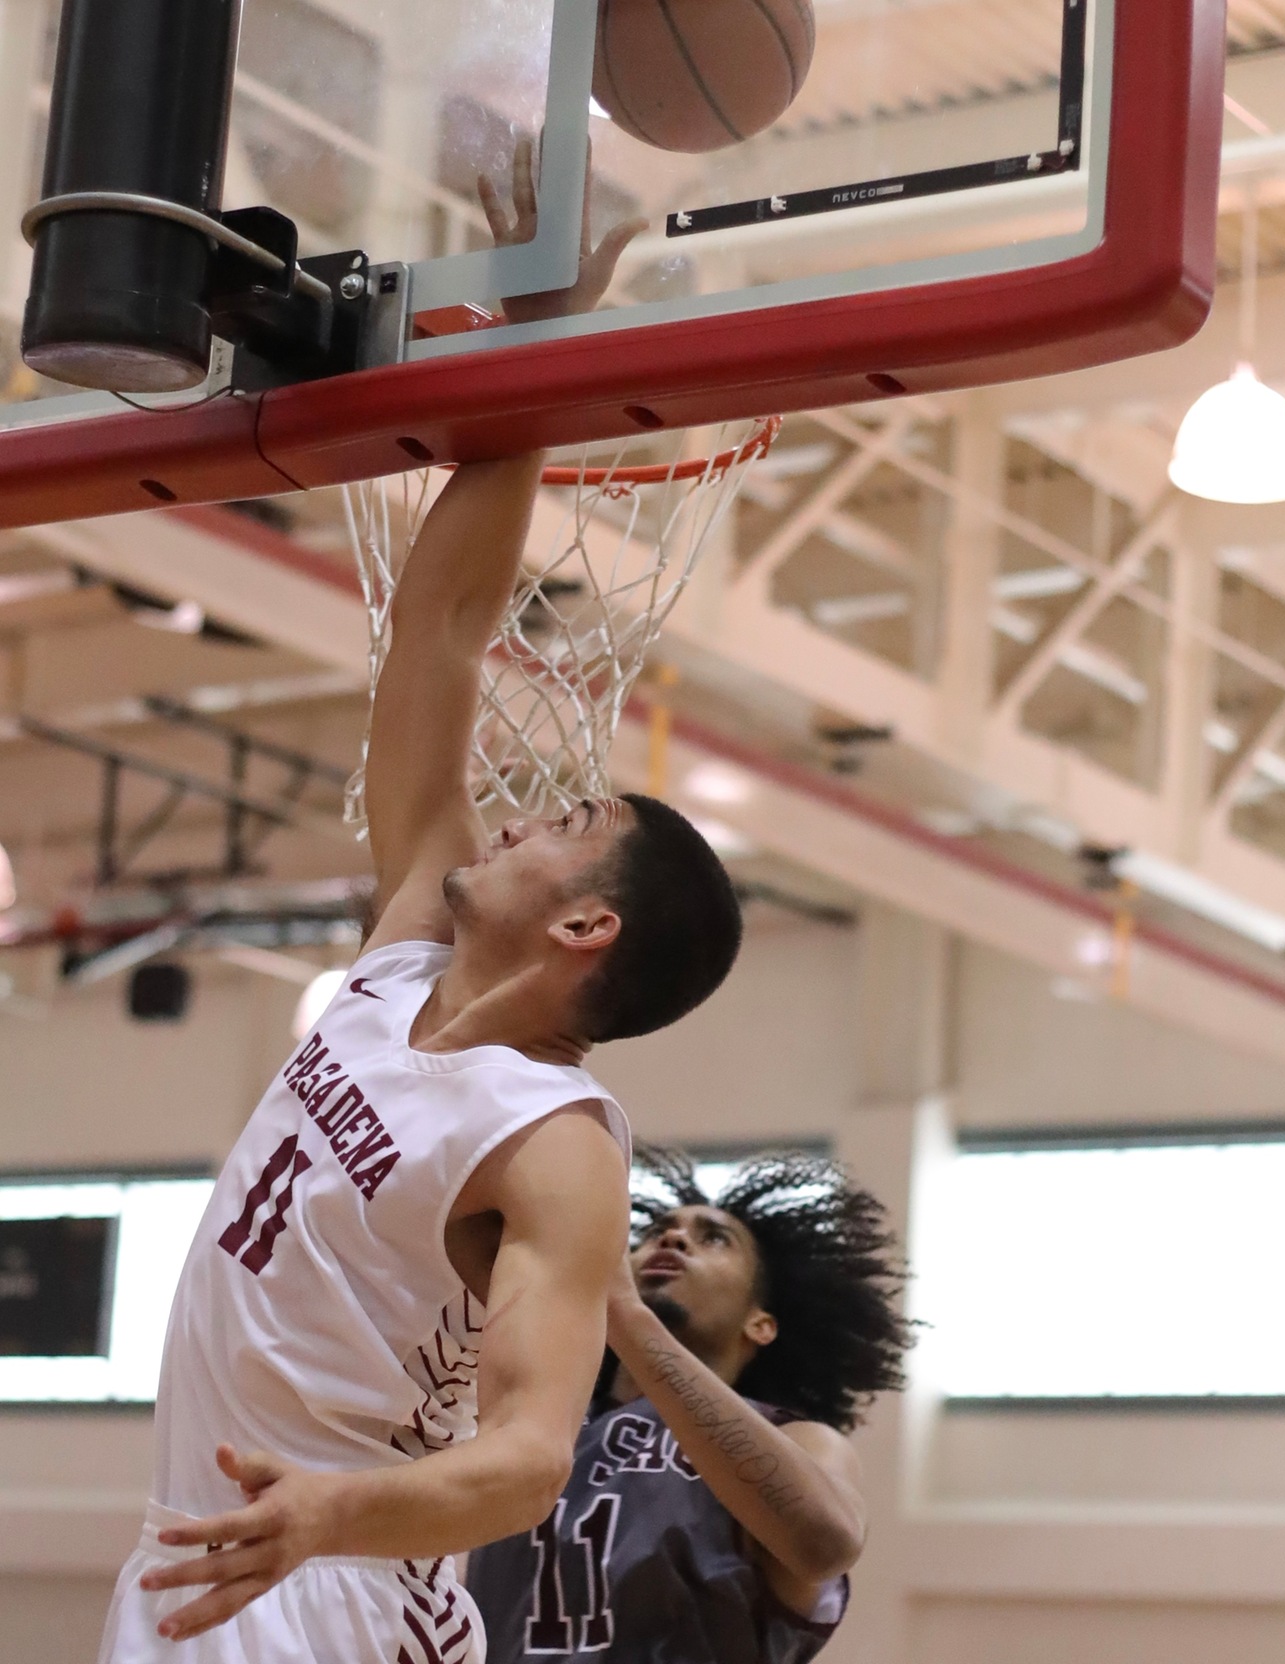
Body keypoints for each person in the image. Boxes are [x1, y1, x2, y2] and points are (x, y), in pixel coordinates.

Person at [96, 146, 741, 1664]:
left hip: (335, 1579)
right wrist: (536, 332)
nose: (523, 809)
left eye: (564, 824)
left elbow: (526, 1459)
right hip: (211, 1549)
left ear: (588, 926)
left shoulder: (552, 1148)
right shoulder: (403, 954)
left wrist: (331, 1510)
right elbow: (445, 630)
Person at [467, 1147, 911, 1664]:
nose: (673, 1238)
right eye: (657, 1231)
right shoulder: (540, 1422)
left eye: (713, 1238)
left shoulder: (800, 1439)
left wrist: (627, 1317)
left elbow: (826, 1543)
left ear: (759, 1323)